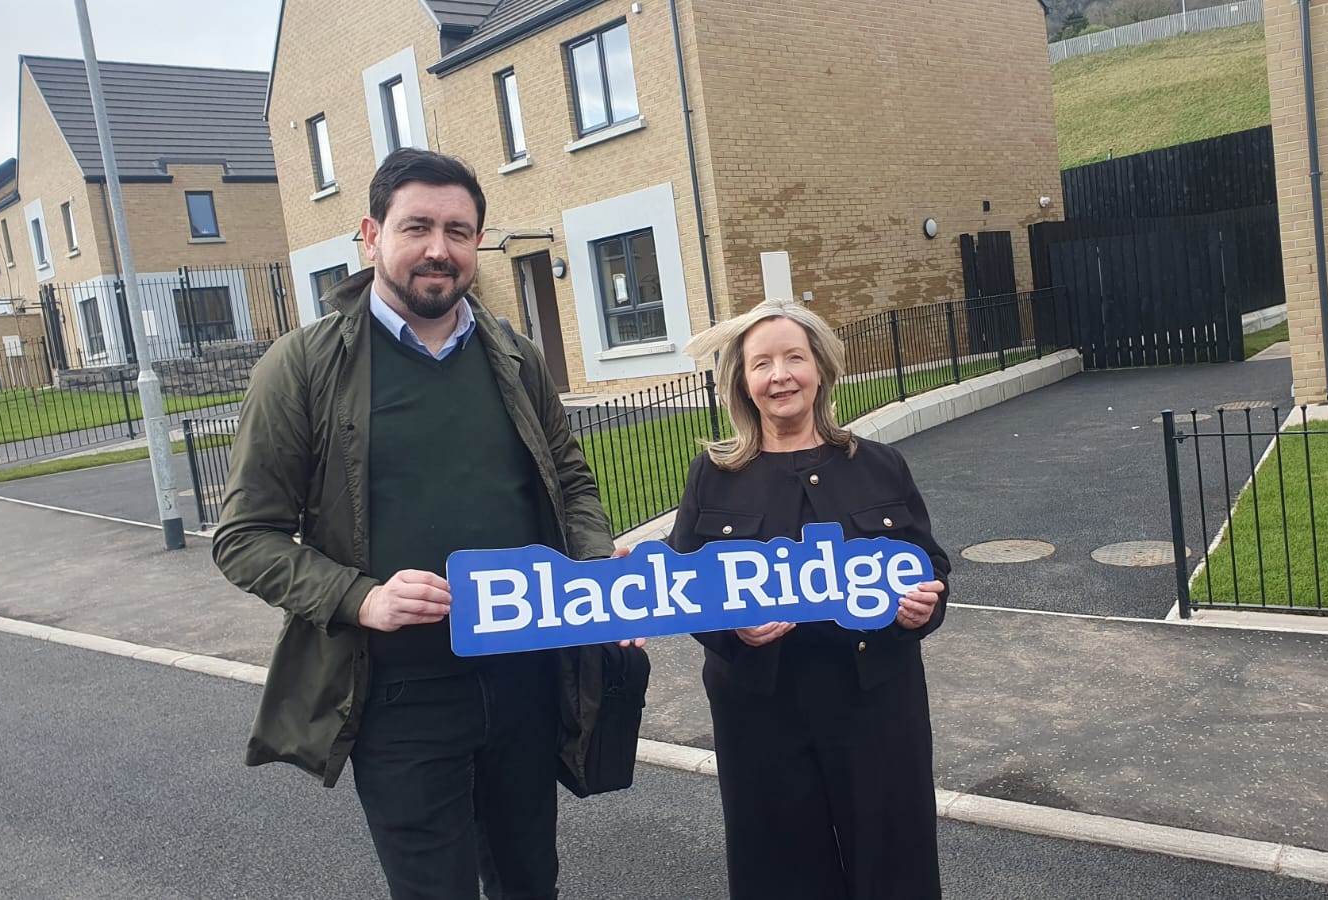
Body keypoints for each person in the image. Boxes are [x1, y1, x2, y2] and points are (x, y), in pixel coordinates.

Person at [212, 148, 618, 900]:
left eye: (459, 231)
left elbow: (571, 482)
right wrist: (360, 597)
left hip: (524, 675)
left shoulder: (514, 357)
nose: (440, 248)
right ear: (371, 236)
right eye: (418, 226)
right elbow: (244, 539)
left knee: (532, 884)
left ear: (477, 244)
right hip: (400, 694)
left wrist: (595, 571)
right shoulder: (301, 366)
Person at [667, 298, 951, 899]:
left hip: (875, 704)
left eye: (794, 358)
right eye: (761, 364)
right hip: (761, 712)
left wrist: (925, 606)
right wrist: (731, 627)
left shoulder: (878, 465)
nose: (779, 376)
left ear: (819, 368)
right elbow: (684, 583)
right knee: (779, 868)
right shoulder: (713, 474)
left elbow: (930, 564)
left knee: (893, 864)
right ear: (742, 383)